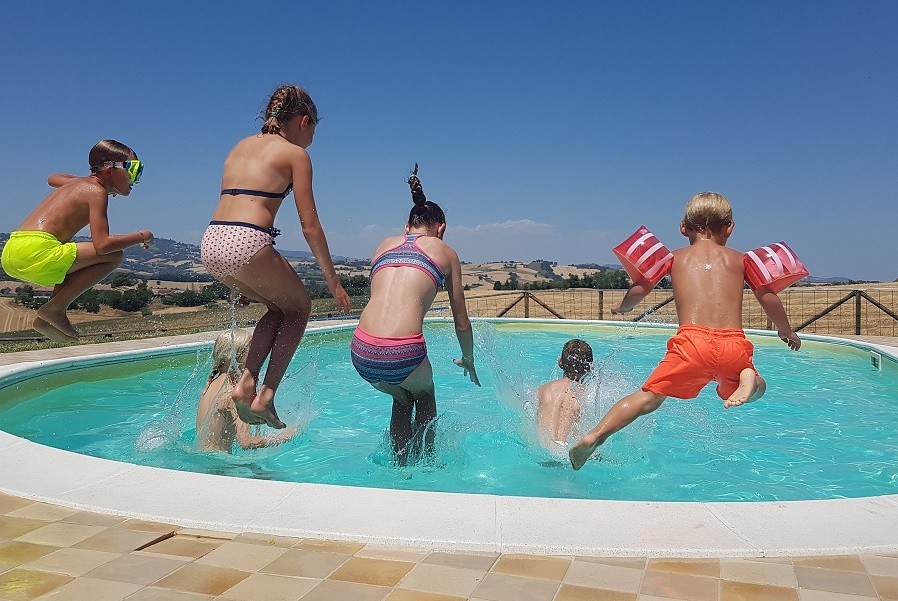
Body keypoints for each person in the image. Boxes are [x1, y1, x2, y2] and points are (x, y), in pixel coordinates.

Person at [569, 192, 801, 470]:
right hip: (733, 344)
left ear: (683, 227)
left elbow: (641, 288)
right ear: (729, 227)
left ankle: (595, 435)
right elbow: (768, 297)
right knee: (755, 390)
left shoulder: (674, 259)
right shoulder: (741, 261)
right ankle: (749, 378)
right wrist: (786, 332)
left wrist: (623, 307)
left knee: (648, 398)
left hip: (690, 344)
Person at [200, 84, 351, 430]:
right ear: (303, 120)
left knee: (278, 308)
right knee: (300, 308)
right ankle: (266, 395)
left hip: (212, 242)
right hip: (246, 240)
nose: (312, 136)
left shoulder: (239, 147)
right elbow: (310, 225)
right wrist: (334, 281)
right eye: (313, 128)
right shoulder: (296, 155)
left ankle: (246, 385)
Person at [350, 165, 480, 465]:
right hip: (402, 352)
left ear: (406, 227)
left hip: (360, 351)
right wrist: (468, 358)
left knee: (401, 396)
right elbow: (461, 320)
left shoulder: (383, 244)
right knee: (424, 395)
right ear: (441, 229)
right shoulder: (445, 251)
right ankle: (426, 466)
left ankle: (399, 465)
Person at [1, 140, 154, 344]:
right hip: (38, 251)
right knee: (113, 256)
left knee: (71, 263)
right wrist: (142, 235)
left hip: (12, 251)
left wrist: (90, 182)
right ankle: (55, 308)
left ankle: (46, 321)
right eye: (133, 169)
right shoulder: (96, 192)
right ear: (109, 170)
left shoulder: (78, 185)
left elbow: (52, 178)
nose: (136, 178)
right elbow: (103, 244)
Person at [196, 330, 297, 452]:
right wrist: (286, 436)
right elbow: (246, 441)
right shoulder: (231, 393)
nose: (257, 357)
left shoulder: (210, 385)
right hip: (220, 468)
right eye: (253, 352)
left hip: (205, 461)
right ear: (237, 356)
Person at [536, 339, 593, 450]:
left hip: (542, 450)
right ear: (590, 368)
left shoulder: (542, 390)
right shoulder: (588, 396)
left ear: (560, 362)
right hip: (567, 453)